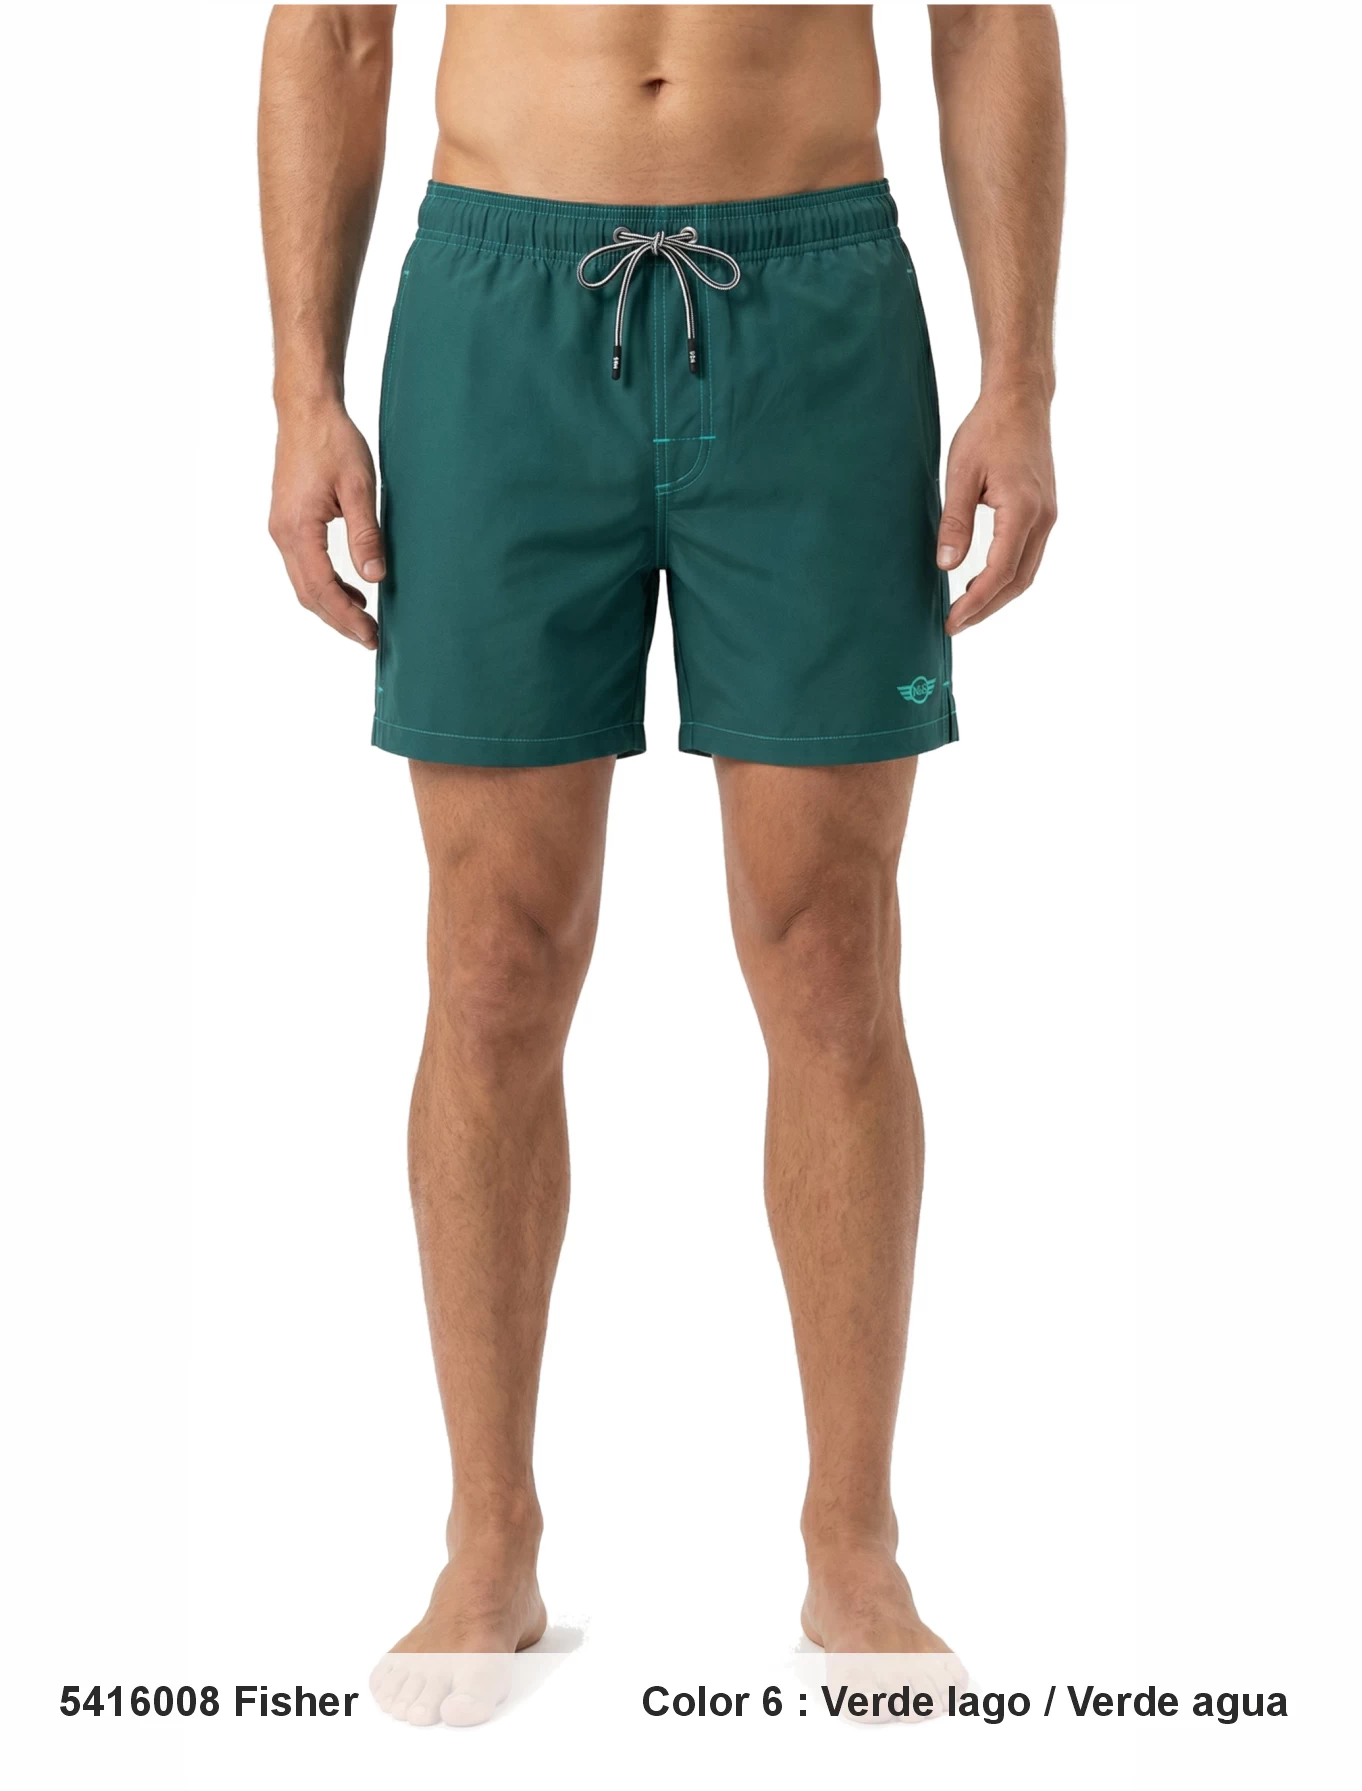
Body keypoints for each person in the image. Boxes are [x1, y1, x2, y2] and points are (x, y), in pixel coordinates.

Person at [260, 2, 1062, 1727]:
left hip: (815, 304)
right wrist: (300, 388)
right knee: (491, 959)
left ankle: (852, 1543)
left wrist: (1021, 376)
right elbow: (330, 27)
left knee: (829, 948)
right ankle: (489, 1536)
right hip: (497, 311)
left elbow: (991, 15)